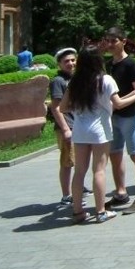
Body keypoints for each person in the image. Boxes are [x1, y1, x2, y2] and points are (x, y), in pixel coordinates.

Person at [60, 46, 135, 223]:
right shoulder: (105, 79)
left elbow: (63, 107)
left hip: (80, 130)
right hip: (99, 129)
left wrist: (79, 108)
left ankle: (78, 211)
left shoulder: (75, 81)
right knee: (99, 170)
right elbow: (119, 103)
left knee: (79, 172)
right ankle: (100, 211)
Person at [101, 27, 135, 215]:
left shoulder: (131, 64)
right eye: (108, 40)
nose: (110, 44)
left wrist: (120, 102)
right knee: (115, 154)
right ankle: (121, 192)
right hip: (112, 116)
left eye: (114, 41)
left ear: (123, 41)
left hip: (129, 115)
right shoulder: (109, 64)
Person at [47, 47, 91, 206]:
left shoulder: (75, 78)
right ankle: (66, 195)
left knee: (78, 160)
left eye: (73, 60)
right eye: (66, 61)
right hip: (67, 127)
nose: (71, 64)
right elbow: (56, 108)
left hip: (78, 125)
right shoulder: (58, 81)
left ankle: (78, 186)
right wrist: (65, 129)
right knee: (67, 162)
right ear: (59, 64)